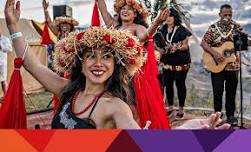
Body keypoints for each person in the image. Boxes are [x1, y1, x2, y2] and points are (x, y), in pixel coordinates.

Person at [5, 0, 230, 129]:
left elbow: (144, 143)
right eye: (91, 56)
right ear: (81, 63)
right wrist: (13, 25)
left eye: (107, 56)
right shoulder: (66, 89)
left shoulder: (116, 107)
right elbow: (31, 63)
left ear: (117, 64)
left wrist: (190, 130)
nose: (98, 63)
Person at [201, 4, 243, 126]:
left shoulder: (236, 28)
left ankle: (231, 116)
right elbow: (204, 43)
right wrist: (215, 54)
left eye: (230, 15)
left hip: (232, 65)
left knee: (231, 92)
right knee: (217, 91)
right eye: (225, 14)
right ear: (219, 14)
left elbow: (242, 43)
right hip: (216, 65)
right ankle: (217, 115)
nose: (227, 17)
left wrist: (243, 39)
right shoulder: (213, 28)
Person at [154, 8, 192, 119]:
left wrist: (177, 47)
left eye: (170, 16)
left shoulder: (181, 29)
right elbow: (157, 43)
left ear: (175, 17)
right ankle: (170, 108)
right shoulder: (163, 28)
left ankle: (181, 109)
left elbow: (185, 45)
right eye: (166, 16)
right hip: (167, 61)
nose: (168, 18)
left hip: (181, 62)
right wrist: (160, 49)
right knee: (168, 84)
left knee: (180, 85)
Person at [97, 0, 168, 42]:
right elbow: (103, 10)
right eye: (123, 8)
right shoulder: (114, 25)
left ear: (135, 14)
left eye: (129, 9)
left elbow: (145, 36)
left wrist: (157, 22)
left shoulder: (138, 27)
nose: (125, 11)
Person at [0, 29, 12, 95]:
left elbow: (10, 49)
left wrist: (1, 46)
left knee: (3, 81)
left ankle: (6, 97)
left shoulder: (5, 39)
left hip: (2, 64)